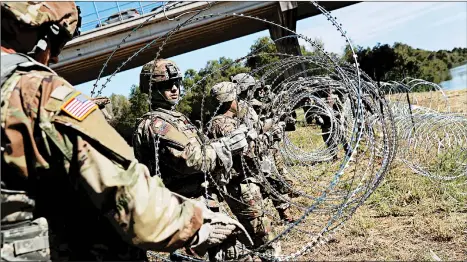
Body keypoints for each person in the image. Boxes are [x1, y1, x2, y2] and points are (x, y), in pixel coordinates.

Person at [1, 2, 250, 261]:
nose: (54, 58)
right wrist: (198, 225)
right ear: (34, 33)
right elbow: (126, 192)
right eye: (58, 41)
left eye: (177, 84)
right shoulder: (37, 92)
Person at [208, 82, 282, 259]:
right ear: (231, 100)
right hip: (240, 185)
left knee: (259, 228)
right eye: (236, 98)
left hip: (242, 184)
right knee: (263, 233)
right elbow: (248, 153)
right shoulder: (224, 125)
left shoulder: (221, 122)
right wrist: (270, 138)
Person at [231, 73, 297, 223]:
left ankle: (285, 214)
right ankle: (265, 221)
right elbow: (253, 130)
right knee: (263, 186)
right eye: (251, 89)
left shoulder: (246, 105)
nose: (253, 91)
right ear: (245, 89)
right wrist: (272, 126)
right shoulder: (240, 108)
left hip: (258, 151)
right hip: (250, 154)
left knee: (270, 183)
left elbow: (259, 125)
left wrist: (273, 121)